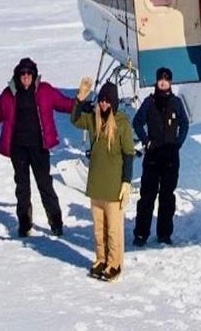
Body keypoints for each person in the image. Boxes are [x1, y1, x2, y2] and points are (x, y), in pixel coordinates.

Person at [0, 57, 75, 237]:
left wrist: (81, 106)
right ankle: (24, 222)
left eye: (29, 73)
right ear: (18, 75)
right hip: (18, 147)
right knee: (22, 187)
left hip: (39, 147)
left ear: (34, 75)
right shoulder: (9, 94)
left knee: (45, 185)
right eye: (22, 74)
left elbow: (64, 104)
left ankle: (56, 222)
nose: (26, 77)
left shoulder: (45, 91)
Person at [71, 78, 135, 282]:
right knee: (99, 229)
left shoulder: (122, 124)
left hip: (113, 187)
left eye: (108, 101)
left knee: (113, 230)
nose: (104, 104)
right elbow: (74, 119)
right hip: (96, 186)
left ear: (114, 103)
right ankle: (101, 259)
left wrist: (126, 182)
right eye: (101, 100)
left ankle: (114, 263)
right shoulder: (93, 119)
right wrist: (80, 99)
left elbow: (129, 154)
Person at [131, 66, 189, 246]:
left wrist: (177, 144)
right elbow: (137, 122)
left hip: (170, 157)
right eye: (160, 79)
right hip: (153, 156)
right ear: (156, 81)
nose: (163, 83)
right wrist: (146, 141)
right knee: (147, 196)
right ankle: (141, 234)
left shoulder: (176, 102)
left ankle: (164, 234)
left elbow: (184, 124)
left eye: (166, 79)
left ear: (170, 82)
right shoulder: (149, 102)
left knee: (167, 197)